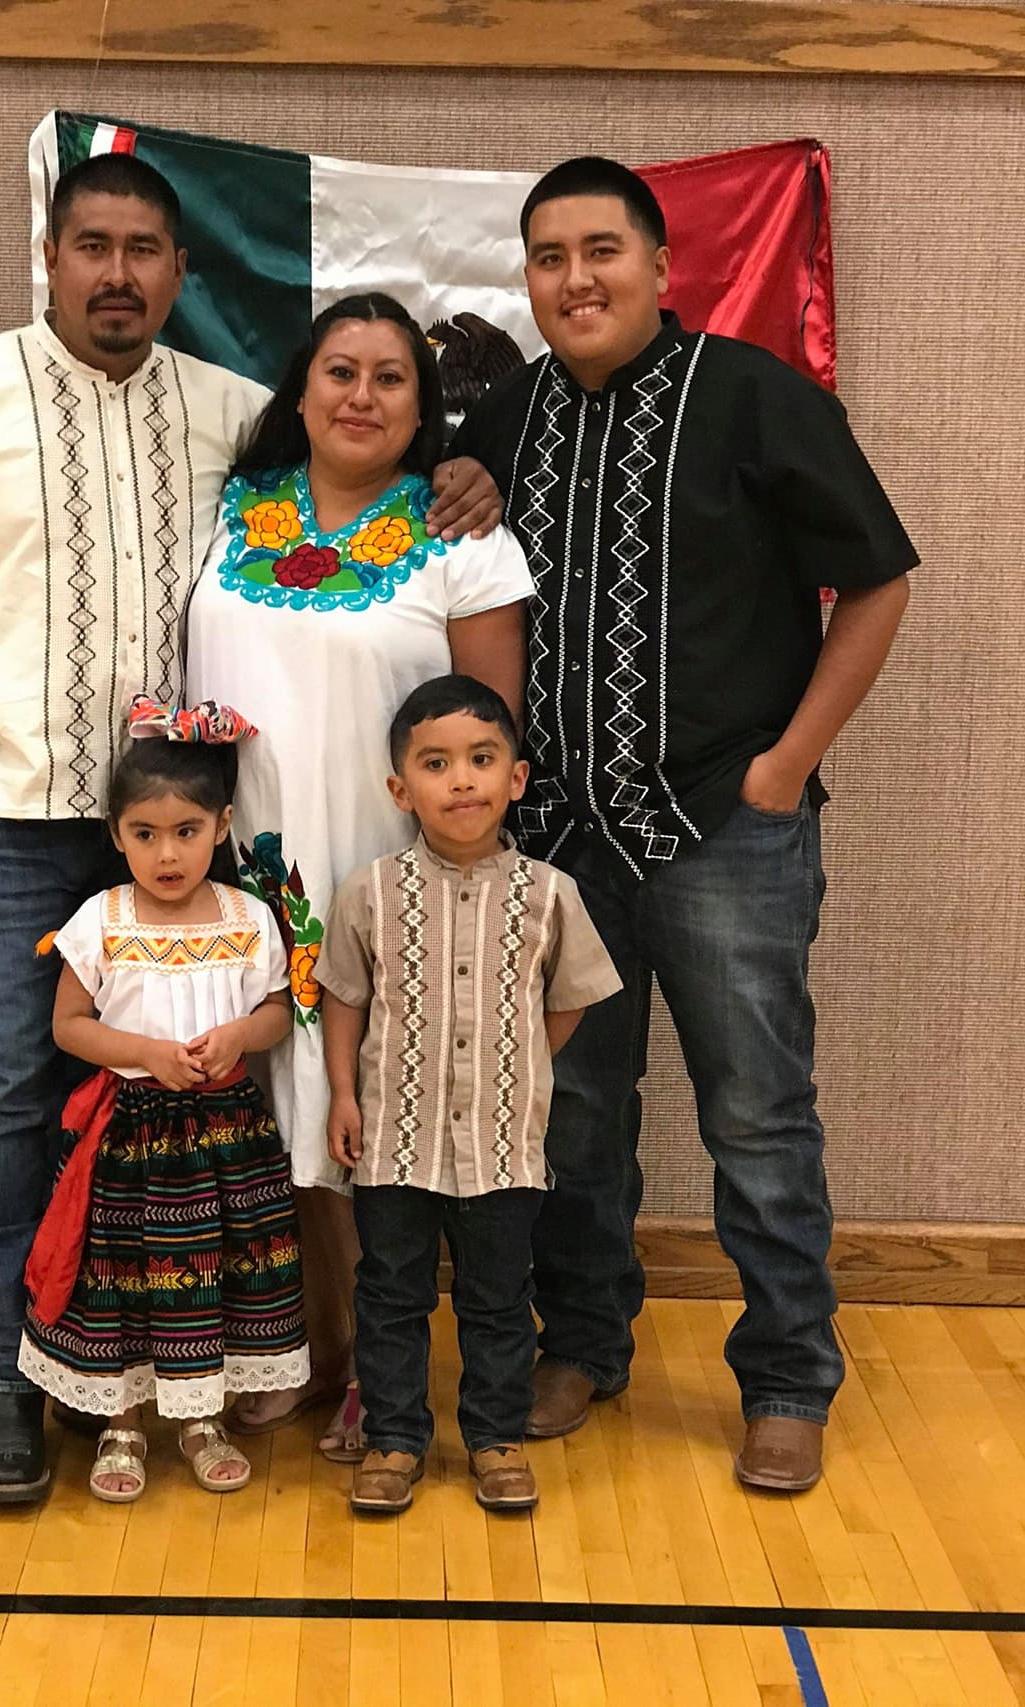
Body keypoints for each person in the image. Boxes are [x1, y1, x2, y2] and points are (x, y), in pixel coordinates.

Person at [0, 153, 500, 1505]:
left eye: (145, 249)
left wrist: (460, 469)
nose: (119, 272)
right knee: (17, 1095)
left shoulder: (233, 415)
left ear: (182, 276)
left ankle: (187, 1357)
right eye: (94, 245)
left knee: (212, 1093)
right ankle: (13, 1384)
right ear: (52, 257)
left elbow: (358, 457)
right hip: (9, 818)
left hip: (193, 833)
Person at [450, 157, 918, 1493]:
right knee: (577, 1113)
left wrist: (786, 767)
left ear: (662, 268)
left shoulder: (756, 394)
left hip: (730, 828)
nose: (576, 277)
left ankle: (786, 1375)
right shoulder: (506, 412)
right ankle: (583, 1343)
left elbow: (877, 579)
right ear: (528, 279)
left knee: (758, 1115)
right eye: (549, 255)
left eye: (603, 249)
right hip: (561, 843)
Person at [185, 294, 534, 1459]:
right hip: (239, 864)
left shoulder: (464, 536)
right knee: (260, 1104)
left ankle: (373, 1369)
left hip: (388, 871)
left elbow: (488, 730)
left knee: (368, 1111)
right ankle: (301, 1339)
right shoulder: (228, 512)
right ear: (298, 389)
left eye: (392, 378)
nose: (361, 396)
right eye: (340, 370)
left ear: (423, 409)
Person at [315, 676, 621, 1514]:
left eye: (482, 760)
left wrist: (517, 1066)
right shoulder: (367, 893)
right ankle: (394, 1436)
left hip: (503, 1146)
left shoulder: (550, 894)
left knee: (497, 1297)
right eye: (437, 763)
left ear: (515, 778)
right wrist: (345, 1093)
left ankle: (493, 1434)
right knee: (391, 1293)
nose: (462, 781)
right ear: (400, 787)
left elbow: (568, 1000)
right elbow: (343, 994)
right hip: (391, 1143)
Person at [19, 699, 305, 1502]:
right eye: (144, 833)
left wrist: (239, 1036)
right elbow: (69, 1026)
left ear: (222, 825)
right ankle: (124, 1423)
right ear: (116, 835)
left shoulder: (248, 918)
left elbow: (281, 1011)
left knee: (212, 1272)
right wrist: (145, 1053)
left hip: (227, 1136)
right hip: (130, 1140)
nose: (166, 852)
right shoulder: (101, 921)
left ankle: (201, 1415)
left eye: (186, 830)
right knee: (129, 1279)